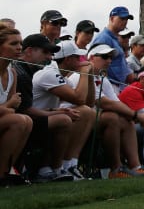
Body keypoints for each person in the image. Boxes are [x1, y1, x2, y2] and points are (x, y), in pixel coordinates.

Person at [13, 34, 74, 182]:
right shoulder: (21, 73)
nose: (50, 57)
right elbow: (26, 110)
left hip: (23, 119)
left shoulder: (30, 70)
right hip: (18, 121)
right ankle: (53, 168)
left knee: (70, 115)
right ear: (29, 51)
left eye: (51, 53)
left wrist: (55, 111)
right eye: (45, 52)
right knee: (63, 120)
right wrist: (57, 112)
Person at [87, 43, 144, 178]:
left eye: (110, 57)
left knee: (124, 119)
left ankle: (136, 167)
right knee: (113, 117)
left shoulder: (103, 79)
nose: (109, 61)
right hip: (81, 118)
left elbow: (116, 103)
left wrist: (134, 117)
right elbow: (103, 102)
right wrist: (137, 116)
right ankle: (116, 168)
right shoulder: (83, 75)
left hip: (93, 118)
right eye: (105, 57)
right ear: (91, 58)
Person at [35, 39, 96, 180]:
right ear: (68, 59)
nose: (82, 60)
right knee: (75, 115)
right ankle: (58, 168)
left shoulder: (62, 77)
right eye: (78, 57)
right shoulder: (49, 73)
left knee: (88, 112)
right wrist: (84, 73)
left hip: (46, 117)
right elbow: (80, 99)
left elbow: (89, 102)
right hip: (36, 118)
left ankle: (70, 164)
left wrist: (90, 76)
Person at [0, 28, 32, 186]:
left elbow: (12, 109)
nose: (19, 47)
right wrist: (8, 106)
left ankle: (8, 170)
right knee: (19, 121)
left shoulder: (12, 72)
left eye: (20, 43)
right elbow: (11, 106)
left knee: (26, 120)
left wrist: (8, 107)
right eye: (13, 43)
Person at [91, 6, 136, 86]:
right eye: (122, 19)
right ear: (112, 19)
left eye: (126, 19)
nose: (125, 21)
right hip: (108, 85)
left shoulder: (115, 38)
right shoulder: (103, 38)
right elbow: (95, 64)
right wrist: (105, 86)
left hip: (119, 85)